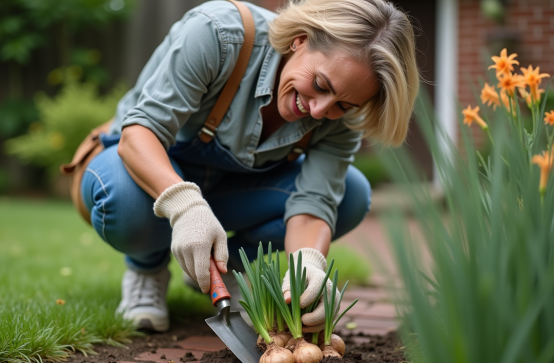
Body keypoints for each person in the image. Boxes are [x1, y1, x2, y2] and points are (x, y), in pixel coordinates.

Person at [77, 0, 419, 332]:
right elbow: (139, 134)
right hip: (143, 169)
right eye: (320, 85)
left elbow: (315, 202)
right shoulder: (218, 33)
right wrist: (185, 206)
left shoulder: (339, 118)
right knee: (123, 200)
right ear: (301, 39)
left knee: (352, 194)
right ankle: (146, 269)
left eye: (341, 104)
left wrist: (309, 266)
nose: (319, 111)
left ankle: (226, 269)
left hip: (234, 192)